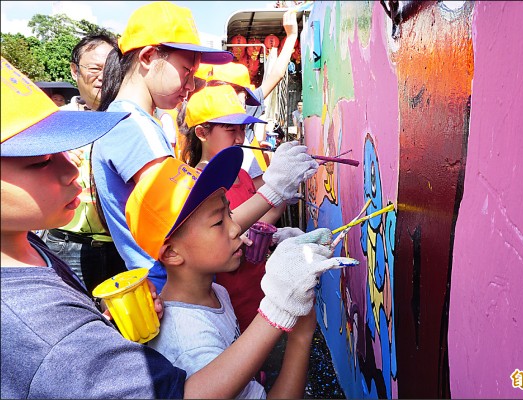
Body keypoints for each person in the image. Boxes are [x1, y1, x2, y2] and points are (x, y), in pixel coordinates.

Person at [0, 56, 356, 399]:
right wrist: (284, 314)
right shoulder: (35, 320)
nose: (72, 170)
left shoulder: (29, 248)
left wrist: (104, 330)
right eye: (41, 160)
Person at [125, 148, 350, 398]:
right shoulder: (193, 346)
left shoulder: (216, 292)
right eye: (218, 222)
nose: (236, 229)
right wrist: (301, 335)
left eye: (229, 213)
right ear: (171, 254)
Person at [90, 1, 235, 293]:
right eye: (186, 71)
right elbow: (187, 225)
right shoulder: (134, 127)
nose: (192, 85)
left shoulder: (135, 122)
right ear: (147, 57)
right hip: (170, 288)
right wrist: (272, 194)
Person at [181, 84, 315, 332]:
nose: (240, 138)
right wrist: (275, 189)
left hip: (258, 286)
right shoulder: (194, 185)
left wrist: (277, 227)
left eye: (243, 129)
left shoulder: (242, 174)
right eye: (231, 130)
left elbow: (260, 221)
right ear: (201, 132)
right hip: (228, 296)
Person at [41, 33, 127, 296]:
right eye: (94, 68)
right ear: (74, 70)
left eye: (110, 69)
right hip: (66, 246)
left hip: (120, 248)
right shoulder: (53, 121)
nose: (103, 76)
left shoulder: (128, 121)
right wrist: (53, 157)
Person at [205, 9, 301, 186]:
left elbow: (277, 75)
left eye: (244, 99)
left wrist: (292, 36)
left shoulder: (248, 107)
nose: (239, 137)